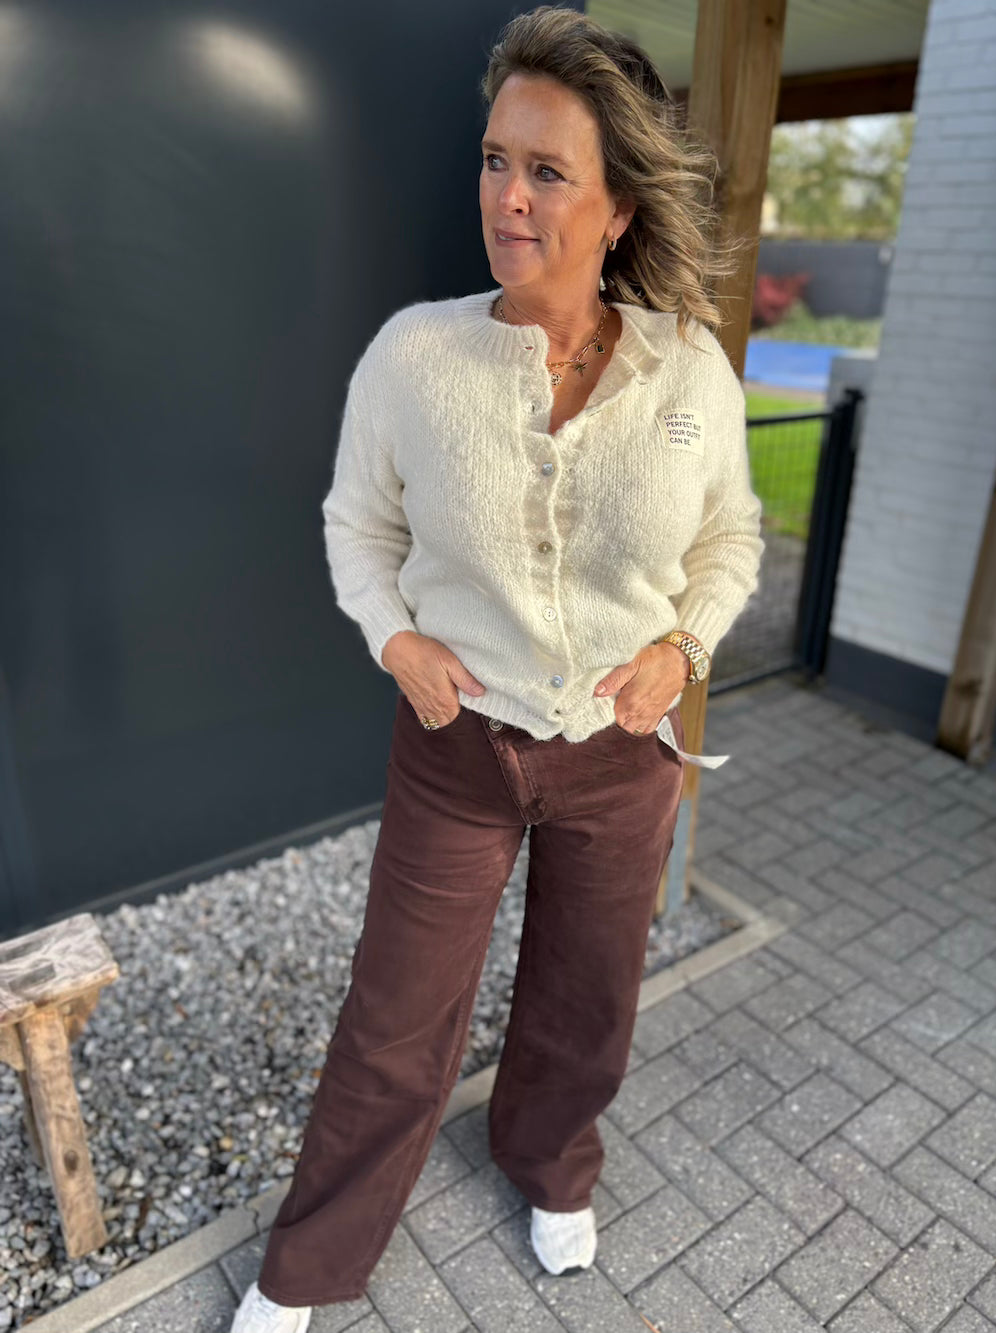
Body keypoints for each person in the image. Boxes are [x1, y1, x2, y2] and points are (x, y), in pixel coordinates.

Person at [230, 6, 764, 1330]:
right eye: (493, 161)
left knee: (589, 995)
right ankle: (311, 1261)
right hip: (458, 750)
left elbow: (730, 538)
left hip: (620, 757)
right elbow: (358, 525)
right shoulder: (416, 356)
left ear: (619, 208)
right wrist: (395, 637)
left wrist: (683, 649)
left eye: (546, 172)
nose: (505, 197)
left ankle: (551, 1163)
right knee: (395, 1016)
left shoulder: (690, 371)